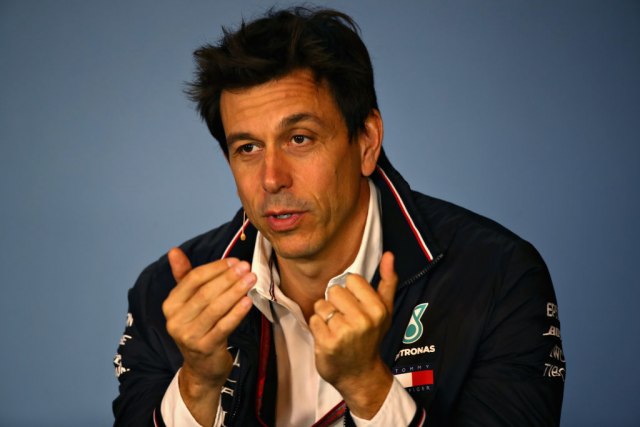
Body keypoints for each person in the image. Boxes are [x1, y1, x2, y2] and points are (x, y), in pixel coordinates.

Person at [113, 7, 565, 427]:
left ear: (366, 141)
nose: (272, 179)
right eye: (247, 148)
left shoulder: (498, 277)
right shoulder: (164, 295)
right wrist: (197, 386)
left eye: (300, 139)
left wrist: (368, 386)